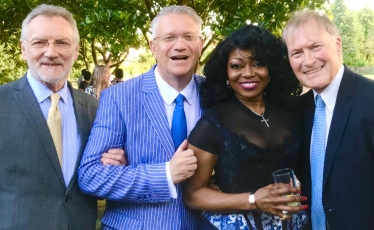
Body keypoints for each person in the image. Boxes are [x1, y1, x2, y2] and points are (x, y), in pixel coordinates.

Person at [78, 5, 204, 229]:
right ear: (153, 46)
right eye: (169, 37)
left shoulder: (216, 95)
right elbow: (91, 176)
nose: (180, 45)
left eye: (188, 36)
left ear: (200, 44)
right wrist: (165, 175)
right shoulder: (118, 98)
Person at [0, 4, 124, 229]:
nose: (51, 52)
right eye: (39, 42)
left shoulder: (95, 109)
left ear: (76, 50)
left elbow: (104, 171)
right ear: (23, 49)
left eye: (62, 43)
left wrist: (118, 162)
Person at [183, 25, 308, 230]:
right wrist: (253, 200)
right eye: (236, 66)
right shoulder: (212, 123)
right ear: (225, 71)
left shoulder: (291, 111)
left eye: (258, 63)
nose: (248, 73)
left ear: (271, 69)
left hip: (295, 223)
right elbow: (192, 195)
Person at [283, 10, 374, 230]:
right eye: (297, 53)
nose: (308, 60)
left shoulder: (370, 100)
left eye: (315, 47)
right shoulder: (298, 109)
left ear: (338, 44)